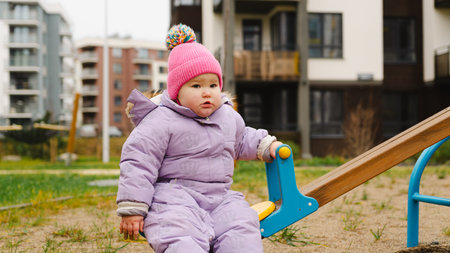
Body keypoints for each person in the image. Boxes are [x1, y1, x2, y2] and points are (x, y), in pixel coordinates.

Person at [116, 24, 282, 253]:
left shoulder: (226, 116)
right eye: (196, 85)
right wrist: (133, 207)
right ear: (177, 91)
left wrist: (266, 145)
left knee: (242, 223)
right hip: (174, 197)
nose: (207, 92)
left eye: (213, 85)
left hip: (219, 197)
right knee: (177, 231)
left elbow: (242, 138)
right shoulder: (161, 120)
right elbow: (138, 161)